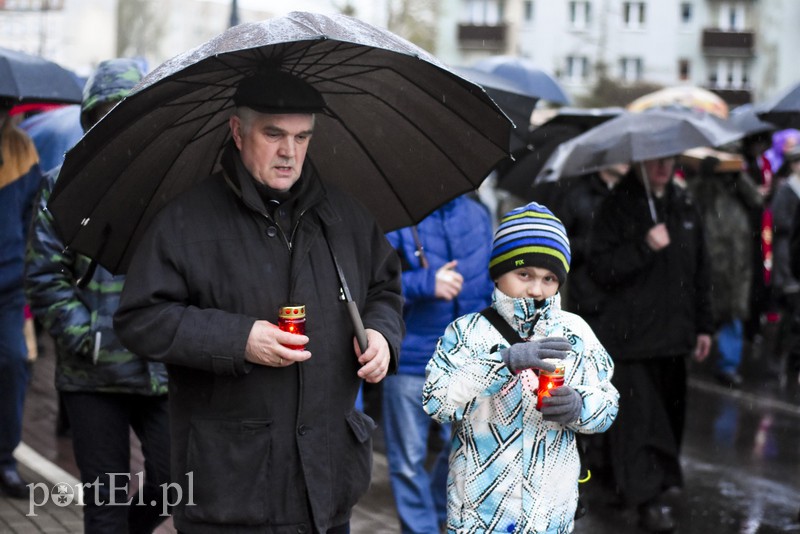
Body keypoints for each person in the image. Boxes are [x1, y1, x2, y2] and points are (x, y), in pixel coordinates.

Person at [113, 70, 404, 533]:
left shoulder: (344, 215)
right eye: (274, 135)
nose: (290, 151)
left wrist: (383, 336)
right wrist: (238, 338)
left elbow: (384, 289)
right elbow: (140, 319)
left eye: (302, 136)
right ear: (237, 130)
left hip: (327, 487)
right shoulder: (186, 220)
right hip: (230, 491)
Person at [25, 59, 172, 533]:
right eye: (105, 114)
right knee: (104, 506)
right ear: (91, 120)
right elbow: (45, 276)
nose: (116, 125)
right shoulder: (60, 187)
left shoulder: (172, 190)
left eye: (126, 113)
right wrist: (89, 338)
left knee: (172, 483)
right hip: (91, 378)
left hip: (162, 372)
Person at [422, 202, 619, 534]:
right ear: (498, 272)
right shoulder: (468, 332)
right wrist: (503, 362)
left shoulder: (576, 333)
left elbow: (608, 403)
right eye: (523, 274)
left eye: (549, 278)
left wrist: (579, 405)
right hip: (480, 516)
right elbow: (436, 401)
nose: (536, 289)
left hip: (550, 516)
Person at [588, 156, 713, 533]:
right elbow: (601, 268)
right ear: (639, 161)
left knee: (668, 422)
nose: (663, 167)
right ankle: (645, 500)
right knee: (641, 424)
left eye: (669, 160)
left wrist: (704, 326)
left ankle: (627, 483)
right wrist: (644, 245)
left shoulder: (684, 204)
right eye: (655, 161)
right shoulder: (617, 205)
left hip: (674, 339)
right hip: (632, 340)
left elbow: (700, 270)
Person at [382, 194, 494, 534]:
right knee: (407, 461)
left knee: (464, 446)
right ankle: (422, 529)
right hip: (411, 358)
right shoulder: (396, 216)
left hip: (464, 360)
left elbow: (492, 280)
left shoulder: (478, 214)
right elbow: (373, 285)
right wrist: (425, 284)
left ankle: (436, 510)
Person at [684, 156, 763, 387]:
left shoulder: (739, 188)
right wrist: (705, 176)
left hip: (737, 268)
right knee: (700, 312)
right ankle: (687, 357)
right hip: (711, 263)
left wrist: (740, 177)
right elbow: (690, 198)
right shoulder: (705, 188)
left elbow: (757, 199)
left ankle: (727, 366)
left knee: (733, 317)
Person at [0, 99, 42, 499]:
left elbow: (33, 214)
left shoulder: (22, 148)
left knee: (14, 364)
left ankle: (5, 460)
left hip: (10, 289)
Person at [551, 163, 628, 320]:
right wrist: (589, 245)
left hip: (623, 299)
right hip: (586, 299)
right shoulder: (576, 195)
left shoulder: (630, 196)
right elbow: (557, 244)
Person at [770, 144, 800, 387]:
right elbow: (778, 221)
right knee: (790, 311)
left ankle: (791, 358)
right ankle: (779, 357)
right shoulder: (787, 190)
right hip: (786, 258)